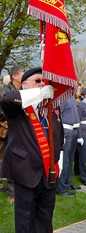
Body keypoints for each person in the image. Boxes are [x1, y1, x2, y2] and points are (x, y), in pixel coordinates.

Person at [0, 67, 64, 232]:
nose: (42, 84)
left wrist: (59, 159)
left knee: (45, 219)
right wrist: (40, 94)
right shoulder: (17, 108)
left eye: (44, 82)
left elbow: (59, 135)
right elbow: (6, 99)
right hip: (26, 170)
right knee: (25, 221)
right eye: (38, 81)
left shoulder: (51, 108)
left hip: (48, 172)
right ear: (25, 85)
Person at [0, 66, 25, 203]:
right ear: (14, 76)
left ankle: (22, 189)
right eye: (23, 73)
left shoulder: (25, 91)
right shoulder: (4, 92)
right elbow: (1, 112)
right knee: (10, 160)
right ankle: (12, 193)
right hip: (8, 131)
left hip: (22, 130)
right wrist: (15, 113)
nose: (25, 75)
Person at [56, 96, 82, 196]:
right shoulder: (62, 98)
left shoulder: (70, 97)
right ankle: (61, 187)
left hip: (71, 130)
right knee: (64, 161)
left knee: (69, 160)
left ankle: (66, 183)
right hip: (65, 130)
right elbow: (58, 115)